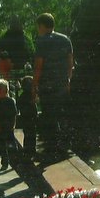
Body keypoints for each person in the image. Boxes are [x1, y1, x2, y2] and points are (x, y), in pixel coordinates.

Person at [32, 12, 73, 156]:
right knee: (61, 115)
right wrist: (68, 80)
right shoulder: (65, 40)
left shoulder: (42, 41)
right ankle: (64, 147)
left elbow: (38, 66)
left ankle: (52, 149)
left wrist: (34, 85)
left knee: (49, 116)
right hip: (61, 84)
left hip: (47, 85)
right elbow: (70, 64)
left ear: (42, 26)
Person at [0, 79, 17, 171]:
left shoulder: (10, 101)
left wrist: (13, 125)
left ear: (6, 90)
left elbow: (14, 114)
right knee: (2, 146)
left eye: (0, 89)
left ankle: (14, 161)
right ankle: (4, 162)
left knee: (12, 145)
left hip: (8, 126)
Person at [16, 75, 38, 159]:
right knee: (31, 134)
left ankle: (28, 150)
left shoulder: (22, 96)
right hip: (29, 117)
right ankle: (30, 150)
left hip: (25, 118)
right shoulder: (28, 96)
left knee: (28, 134)